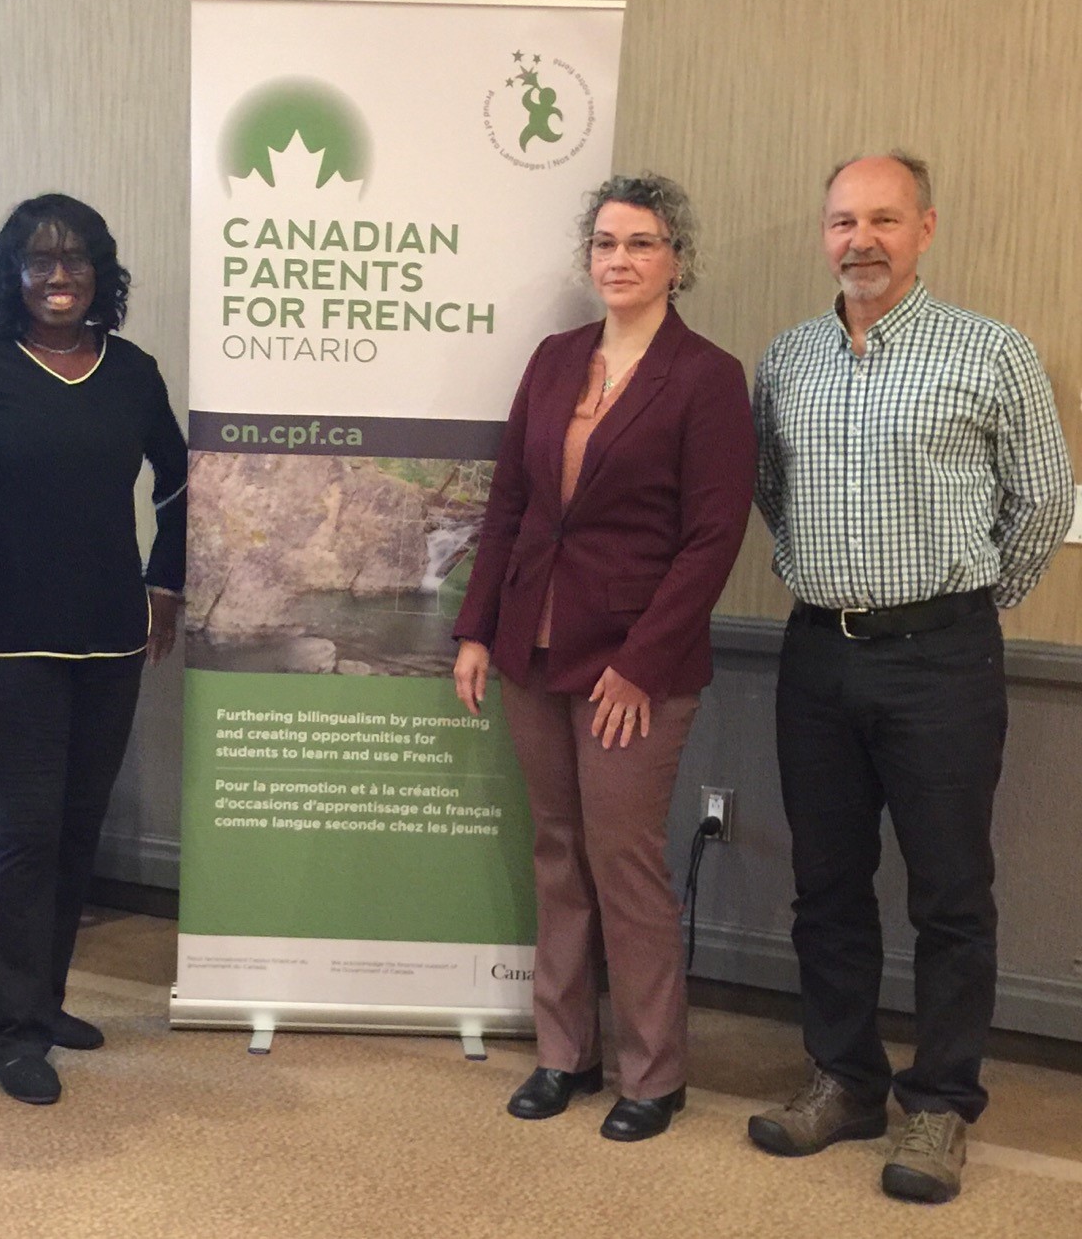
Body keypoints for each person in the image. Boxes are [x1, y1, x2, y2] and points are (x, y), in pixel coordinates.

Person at [747, 152, 1072, 1203]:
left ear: (925, 228)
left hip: (942, 657)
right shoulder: (787, 359)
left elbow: (1042, 502)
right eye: (843, 220)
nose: (861, 240)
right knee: (826, 885)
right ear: (823, 232)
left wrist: (967, 605)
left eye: (883, 218)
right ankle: (844, 1079)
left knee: (949, 893)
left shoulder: (991, 351)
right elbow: (767, 489)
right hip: (816, 654)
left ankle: (938, 1103)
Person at [452, 174, 755, 1142]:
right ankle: (562, 1053)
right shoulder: (552, 361)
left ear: (678, 260)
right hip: (531, 649)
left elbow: (710, 539)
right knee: (555, 853)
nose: (619, 259)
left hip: (635, 665)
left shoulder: (705, 376)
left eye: (642, 243)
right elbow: (509, 505)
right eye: (606, 243)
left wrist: (640, 663)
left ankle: (652, 1072)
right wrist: (474, 628)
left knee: (623, 861)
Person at [0, 193, 187, 1105]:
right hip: (10, 647)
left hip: (111, 641)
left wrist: (166, 583)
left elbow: (181, 481)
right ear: (13, 275)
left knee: (80, 833)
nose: (58, 275)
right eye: (38, 261)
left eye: (75, 258)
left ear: (101, 271)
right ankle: (11, 1029)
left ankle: (47, 999)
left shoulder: (131, 372)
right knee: (26, 838)